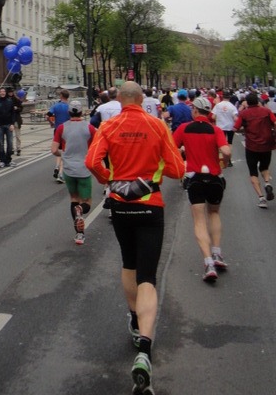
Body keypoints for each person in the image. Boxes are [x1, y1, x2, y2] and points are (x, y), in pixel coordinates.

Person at [85, 82, 185, 395]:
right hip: (150, 207)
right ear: (142, 99)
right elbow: (177, 169)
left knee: (128, 261)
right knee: (147, 277)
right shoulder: (157, 125)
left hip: (120, 206)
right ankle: (144, 348)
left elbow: (92, 162)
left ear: (118, 98)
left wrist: (111, 180)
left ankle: (132, 318)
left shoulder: (108, 125)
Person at [173, 96, 231, 282]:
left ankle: (208, 263)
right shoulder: (216, 130)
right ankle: (217, 253)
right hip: (214, 177)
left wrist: (183, 155)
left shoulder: (184, 128)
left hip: (195, 178)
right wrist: (226, 162)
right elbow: (227, 151)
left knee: (199, 220)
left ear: (196, 111)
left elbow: (172, 148)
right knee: (214, 213)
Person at [50, 100, 96, 245]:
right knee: (86, 201)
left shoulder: (62, 128)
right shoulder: (90, 128)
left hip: (69, 169)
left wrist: (62, 155)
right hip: (84, 169)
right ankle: (81, 209)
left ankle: (79, 234)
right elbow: (97, 148)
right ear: (82, 112)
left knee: (74, 198)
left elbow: (53, 150)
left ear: (69, 112)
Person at [234, 91, 276, 208]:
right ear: (258, 101)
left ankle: (261, 198)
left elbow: (236, 128)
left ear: (247, 102)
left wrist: (243, 130)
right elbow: (275, 122)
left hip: (251, 146)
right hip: (266, 145)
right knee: (264, 167)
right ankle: (267, 183)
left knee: (253, 171)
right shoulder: (266, 111)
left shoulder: (244, 114)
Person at [47, 89, 71, 180]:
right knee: (64, 151)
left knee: (59, 149)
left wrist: (51, 123)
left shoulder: (55, 106)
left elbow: (48, 115)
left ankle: (57, 166)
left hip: (57, 130)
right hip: (67, 131)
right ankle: (61, 174)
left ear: (61, 96)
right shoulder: (69, 107)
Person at [211, 91, 238, 166]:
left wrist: (219, 117)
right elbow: (235, 118)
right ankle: (229, 160)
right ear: (230, 97)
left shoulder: (218, 105)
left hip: (220, 127)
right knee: (229, 143)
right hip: (230, 126)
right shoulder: (232, 106)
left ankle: (220, 160)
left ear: (222, 97)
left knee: (220, 143)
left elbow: (213, 117)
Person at [0, 87, 16, 168]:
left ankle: (8, 160)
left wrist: (12, 124)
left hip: (9, 125)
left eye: (4, 91)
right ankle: (2, 160)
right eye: (1, 91)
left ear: (5, 92)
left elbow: (13, 113)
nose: (2, 93)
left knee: (10, 143)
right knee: (1, 144)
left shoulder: (10, 101)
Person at [9, 87, 24, 156]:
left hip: (16, 120)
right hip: (9, 120)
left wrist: (17, 108)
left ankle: (18, 149)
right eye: (9, 92)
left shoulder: (16, 100)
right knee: (10, 136)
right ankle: (11, 149)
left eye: (11, 92)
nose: (10, 93)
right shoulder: (6, 100)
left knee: (18, 136)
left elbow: (21, 108)